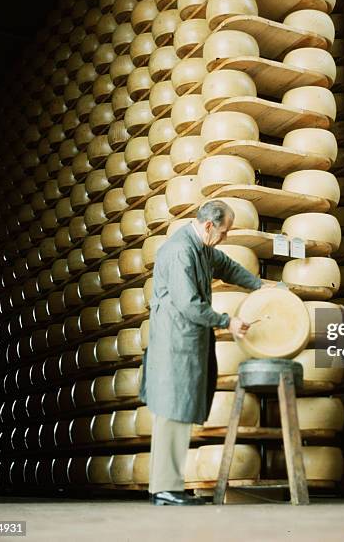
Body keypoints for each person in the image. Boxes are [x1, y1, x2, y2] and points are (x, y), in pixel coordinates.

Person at [140, 200, 263, 506]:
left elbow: (228, 267)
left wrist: (260, 288)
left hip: (188, 342)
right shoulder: (181, 250)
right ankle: (164, 490)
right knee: (171, 413)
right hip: (174, 344)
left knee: (179, 414)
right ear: (209, 226)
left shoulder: (203, 247)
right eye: (224, 231)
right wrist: (227, 321)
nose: (225, 236)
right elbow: (188, 304)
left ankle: (168, 487)